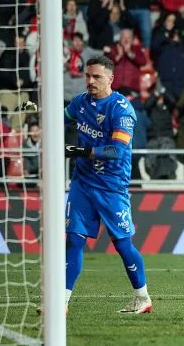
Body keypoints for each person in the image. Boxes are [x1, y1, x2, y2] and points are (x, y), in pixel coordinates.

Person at [60, 56, 152, 314]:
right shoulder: (80, 103)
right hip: (82, 183)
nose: (90, 81)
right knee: (74, 240)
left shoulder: (122, 109)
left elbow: (115, 150)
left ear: (110, 79)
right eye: (87, 76)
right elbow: (60, 118)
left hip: (112, 186)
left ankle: (142, 298)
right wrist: (38, 112)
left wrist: (80, 150)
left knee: (123, 245)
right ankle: (62, 301)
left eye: (97, 77)